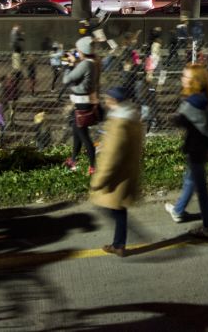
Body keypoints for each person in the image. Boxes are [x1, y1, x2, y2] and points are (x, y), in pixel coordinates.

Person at [165, 64, 208, 239]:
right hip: (204, 147)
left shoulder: (191, 103)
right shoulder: (205, 98)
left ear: (194, 81)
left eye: (185, 77)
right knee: (190, 178)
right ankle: (179, 210)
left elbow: (178, 121)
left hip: (196, 149)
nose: (182, 79)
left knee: (201, 189)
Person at [91, 87, 146, 257]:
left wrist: (98, 181)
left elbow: (111, 157)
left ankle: (126, 239)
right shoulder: (132, 118)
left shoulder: (118, 124)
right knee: (119, 209)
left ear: (114, 101)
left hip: (116, 177)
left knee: (109, 207)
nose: (106, 102)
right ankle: (119, 244)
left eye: (108, 99)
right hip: (127, 172)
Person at [63, 36, 101, 175]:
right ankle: (74, 159)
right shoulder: (93, 62)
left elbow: (66, 79)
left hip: (82, 104)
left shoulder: (85, 64)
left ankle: (93, 166)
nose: (77, 51)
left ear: (83, 50)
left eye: (78, 49)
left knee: (84, 136)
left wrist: (69, 65)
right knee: (76, 131)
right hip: (85, 102)